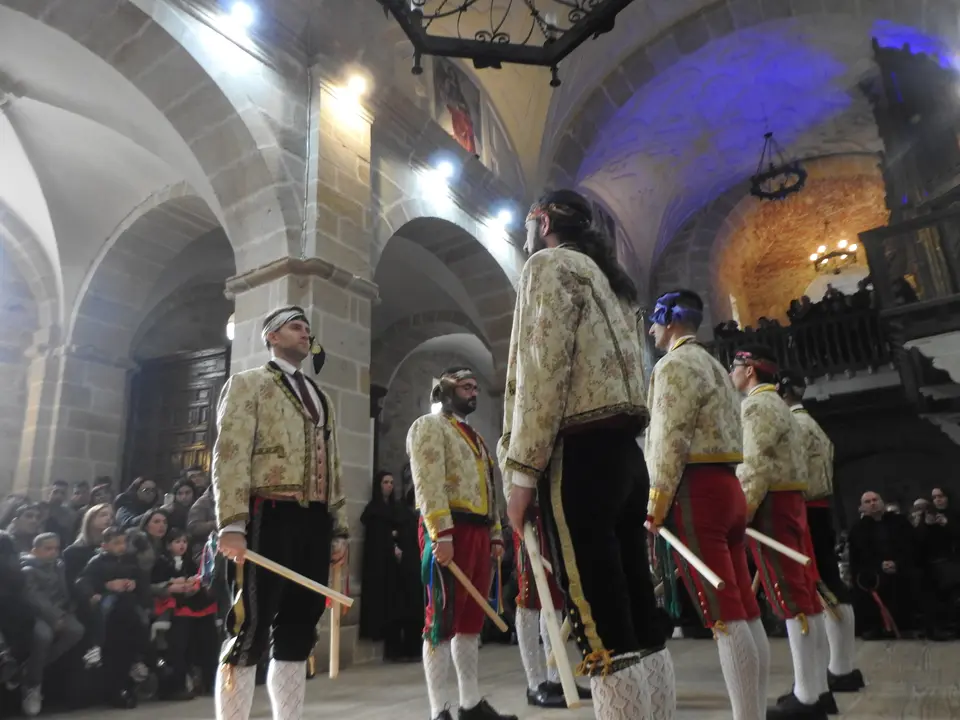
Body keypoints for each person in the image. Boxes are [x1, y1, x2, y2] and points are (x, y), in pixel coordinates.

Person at [502, 190, 673, 720]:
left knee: (600, 620)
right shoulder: (612, 282)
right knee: (639, 611)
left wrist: (522, 471)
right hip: (625, 455)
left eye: (531, 223)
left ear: (544, 221)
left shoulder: (548, 265)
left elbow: (541, 372)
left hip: (578, 456)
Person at [213, 305, 349, 720]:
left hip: (313, 521)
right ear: (272, 336)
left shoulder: (321, 396)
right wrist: (232, 522)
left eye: (308, 328)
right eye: (295, 327)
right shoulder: (248, 384)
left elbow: (336, 463)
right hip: (266, 514)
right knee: (249, 626)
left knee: (298, 626)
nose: (305, 333)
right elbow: (230, 453)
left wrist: (338, 528)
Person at [645, 289, 765, 720]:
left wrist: (656, 504)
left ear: (671, 320)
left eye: (655, 320)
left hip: (697, 491)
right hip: (729, 487)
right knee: (745, 610)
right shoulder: (715, 365)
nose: (651, 329)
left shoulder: (673, 365)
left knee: (724, 615)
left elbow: (667, 439)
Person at [729, 345, 829, 719]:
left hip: (772, 504)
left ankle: (806, 698)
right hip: (792, 501)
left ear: (750, 370)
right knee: (805, 592)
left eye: (734, 367)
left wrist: (741, 512)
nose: (731, 374)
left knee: (790, 597)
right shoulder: (783, 408)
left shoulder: (756, 406)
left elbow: (754, 465)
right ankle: (817, 688)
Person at [407, 367, 512, 720]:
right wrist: (442, 533)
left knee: (469, 621)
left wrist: (496, 533)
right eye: (466, 387)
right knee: (440, 619)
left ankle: (470, 703)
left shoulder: (476, 438)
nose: (473, 392)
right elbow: (428, 483)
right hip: (449, 528)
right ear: (445, 390)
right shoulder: (428, 427)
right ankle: (439, 710)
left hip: (478, 532)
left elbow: (489, 487)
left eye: (475, 388)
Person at [777, 371, 864, 692]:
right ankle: (842, 667)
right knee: (828, 586)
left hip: (804, 509)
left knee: (816, 589)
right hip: (820, 508)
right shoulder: (812, 423)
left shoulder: (793, 425)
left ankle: (829, 676)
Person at [512, 509, 591, 709]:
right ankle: (534, 683)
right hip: (527, 515)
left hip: (551, 512)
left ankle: (557, 678)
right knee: (528, 597)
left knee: (555, 597)